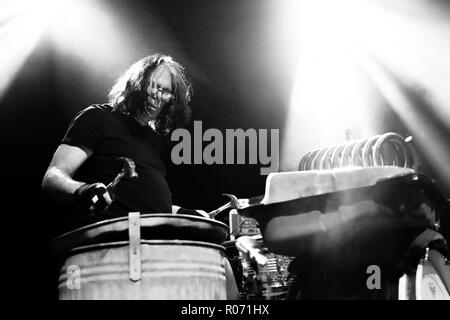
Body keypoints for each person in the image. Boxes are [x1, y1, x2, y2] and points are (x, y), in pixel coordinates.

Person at [42, 53, 207, 225]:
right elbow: (53, 176)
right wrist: (82, 190)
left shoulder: (153, 140)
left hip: (152, 242)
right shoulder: (99, 117)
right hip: (110, 240)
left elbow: (144, 202)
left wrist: (182, 212)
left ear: (171, 99)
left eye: (165, 91)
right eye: (152, 86)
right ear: (137, 84)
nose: (156, 96)